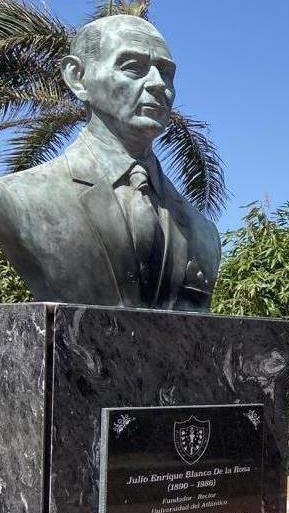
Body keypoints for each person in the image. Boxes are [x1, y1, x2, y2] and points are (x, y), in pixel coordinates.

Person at [0, 15, 220, 311]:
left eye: (166, 73)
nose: (158, 84)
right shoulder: (16, 200)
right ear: (78, 78)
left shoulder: (201, 232)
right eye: (132, 67)